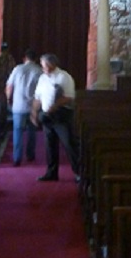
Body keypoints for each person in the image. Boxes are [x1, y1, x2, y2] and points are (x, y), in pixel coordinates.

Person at [31, 53, 80, 182]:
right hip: (47, 116)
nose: (42, 68)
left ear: (51, 65)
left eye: (43, 66)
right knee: (50, 145)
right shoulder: (42, 78)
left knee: (69, 143)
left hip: (61, 115)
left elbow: (69, 96)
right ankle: (52, 172)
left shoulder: (64, 77)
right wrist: (34, 112)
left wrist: (55, 106)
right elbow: (38, 97)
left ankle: (79, 172)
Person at [4, 48, 42, 166]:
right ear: (36, 59)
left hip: (18, 105)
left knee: (17, 132)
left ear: (24, 58)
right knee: (32, 131)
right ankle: (30, 155)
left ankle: (17, 158)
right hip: (33, 106)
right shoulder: (39, 71)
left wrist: (8, 99)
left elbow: (9, 86)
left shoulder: (17, 69)